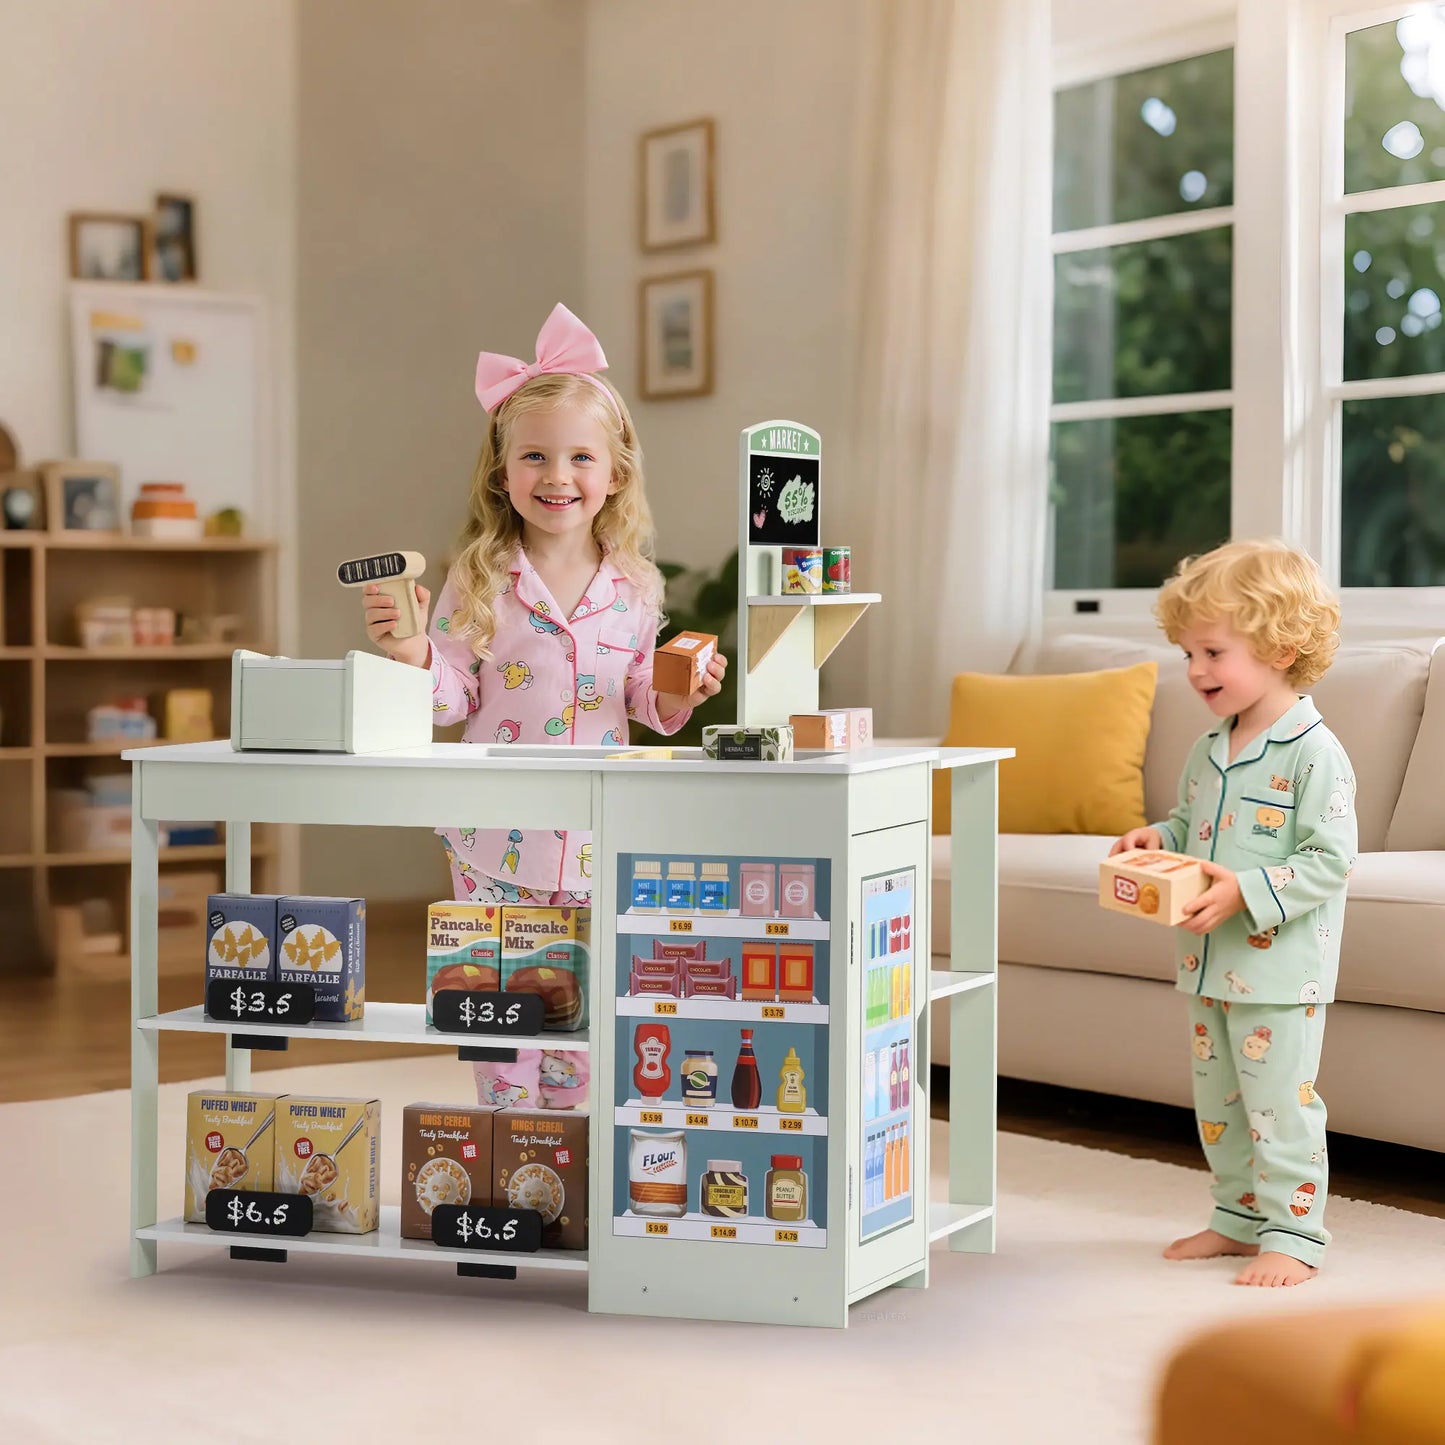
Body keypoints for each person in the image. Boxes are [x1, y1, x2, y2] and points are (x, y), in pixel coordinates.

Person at [361, 299, 727, 907]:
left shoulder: (635, 585)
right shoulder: (479, 578)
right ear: (503, 475)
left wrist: (676, 692)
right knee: (495, 988)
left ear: (615, 475)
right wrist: (411, 650)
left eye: (581, 457)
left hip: (601, 833)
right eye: (534, 456)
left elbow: (636, 692)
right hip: (493, 836)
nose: (557, 475)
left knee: (591, 994)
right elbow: (455, 701)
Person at [1110, 539, 1356, 1288]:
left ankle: (1294, 1233)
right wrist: (1161, 837)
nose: (1194, 672)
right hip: (1208, 965)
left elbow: (1329, 860)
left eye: (1212, 651)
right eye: (1187, 653)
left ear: (1280, 646)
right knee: (1218, 1106)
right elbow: (1193, 822)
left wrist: (1246, 891)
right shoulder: (1210, 746)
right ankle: (1236, 1218)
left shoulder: (1314, 754)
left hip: (1277, 972)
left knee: (1280, 1110)